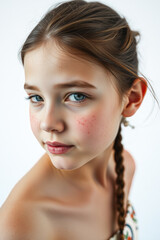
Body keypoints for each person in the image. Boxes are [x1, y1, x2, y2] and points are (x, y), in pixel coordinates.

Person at [0, 0, 157, 239]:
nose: (48, 123)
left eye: (76, 96)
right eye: (36, 97)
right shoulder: (21, 222)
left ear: (131, 98)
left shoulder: (124, 167)